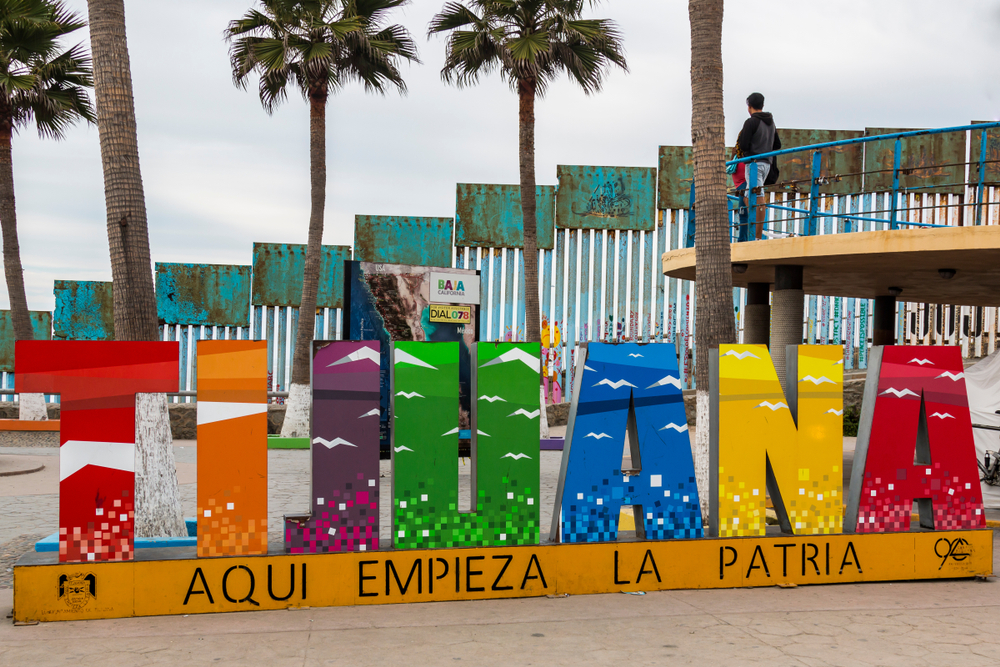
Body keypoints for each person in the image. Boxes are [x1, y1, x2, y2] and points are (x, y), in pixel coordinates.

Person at [737, 92, 781, 189]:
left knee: (756, 194)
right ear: (762, 105)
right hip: (767, 163)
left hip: (754, 163)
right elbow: (777, 144)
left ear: (749, 106)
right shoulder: (771, 123)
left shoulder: (750, 122)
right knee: (748, 194)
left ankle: (761, 205)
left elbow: (743, 145)